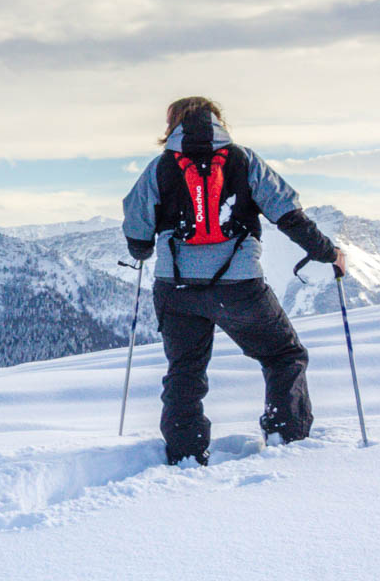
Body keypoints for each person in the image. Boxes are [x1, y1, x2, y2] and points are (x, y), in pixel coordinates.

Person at [121, 96, 346, 466]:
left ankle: (185, 453)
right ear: (217, 121)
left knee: (185, 370)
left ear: (172, 125)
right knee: (283, 355)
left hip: (176, 288)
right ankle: (286, 435)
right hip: (239, 287)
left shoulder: (161, 167)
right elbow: (287, 213)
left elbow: (137, 230)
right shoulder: (243, 160)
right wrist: (327, 252)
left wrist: (143, 251)